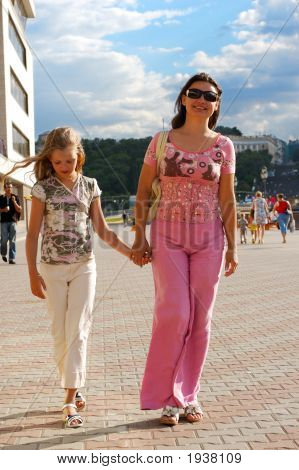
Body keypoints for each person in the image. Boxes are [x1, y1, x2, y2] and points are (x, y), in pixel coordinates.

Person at [5, 127, 142, 428]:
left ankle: (69, 399)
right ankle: (74, 384)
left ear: (79, 155)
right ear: (51, 162)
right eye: (58, 163)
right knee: (60, 333)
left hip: (84, 266)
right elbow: (32, 237)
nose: (65, 167)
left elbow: (104, 231)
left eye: (69, 160)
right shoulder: (42, 189)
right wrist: (31, 274)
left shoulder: (91, 186)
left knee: (78, 329)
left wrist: (131, 253)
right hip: (51, 269)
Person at [131, 72, 238, 425]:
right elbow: (144, 190)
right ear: (183, 98)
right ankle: (165, 396)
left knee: (200, 320)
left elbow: (227, 198)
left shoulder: (224, 146)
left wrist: (233, 247)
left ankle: (185, 396)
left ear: (216, 105)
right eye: (194, 93)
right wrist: (139, 235)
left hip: (210, 238)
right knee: (174, 314)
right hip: (168, 235)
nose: (201, 100)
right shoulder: (161, 141)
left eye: (209, 96)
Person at [0, 181, 22, 264]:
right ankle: (3, 253)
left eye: (11, 187)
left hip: (13, 221)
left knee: (12, 240)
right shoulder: (1, 197)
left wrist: (14, 202)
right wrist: (3, 210)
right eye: (8, 187)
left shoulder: (15, 197)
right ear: (5, 188)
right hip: (3, 222)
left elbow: (19, 209)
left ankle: (11, 258)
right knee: (4, 239)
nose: (10, 189)